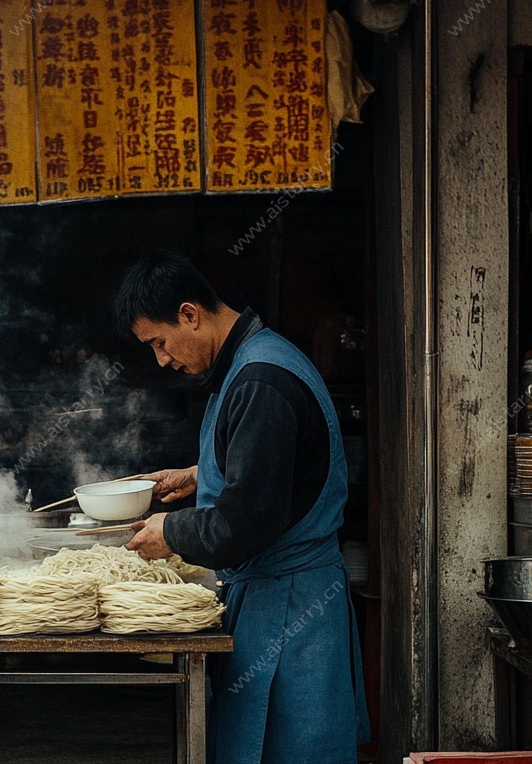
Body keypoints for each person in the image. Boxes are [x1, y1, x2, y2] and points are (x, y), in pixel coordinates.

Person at [115, 252, 370, 764]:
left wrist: (172, 532)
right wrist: (199, 473)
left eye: (159, 343)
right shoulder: (256, 356)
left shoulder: (259, 381)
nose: (161, 360)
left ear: (189, 314)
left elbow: (245, 522)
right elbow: (274, 465)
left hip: (290, 605)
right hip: (281, 596)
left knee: (289, 749)